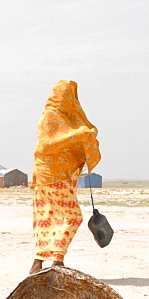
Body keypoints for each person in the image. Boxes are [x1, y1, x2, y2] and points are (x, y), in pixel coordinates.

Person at [29, 80, 101, 274]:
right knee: (72, 217)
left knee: (49, 218)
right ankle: (56, 259)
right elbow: (47, 144)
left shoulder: (65, 117)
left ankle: (40, 262)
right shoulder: (50, 116)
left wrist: (82, 134)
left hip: (58, 175)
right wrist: (80, 134)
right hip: (52, 175)